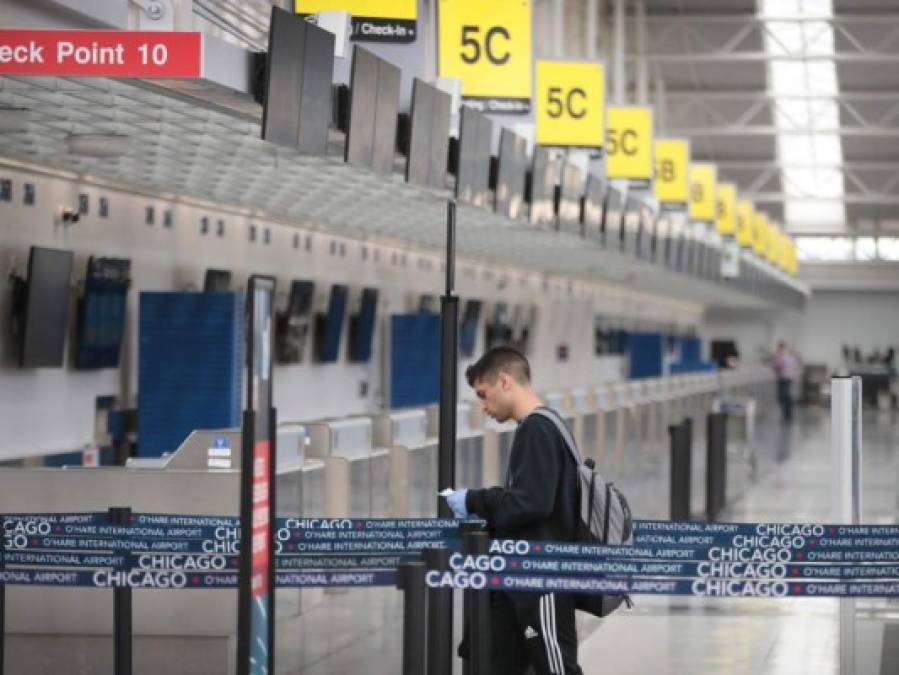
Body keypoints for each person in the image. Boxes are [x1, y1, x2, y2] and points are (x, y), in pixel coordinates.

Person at [443, 346, 583, 675]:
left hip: (541, 579)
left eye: (483, 394)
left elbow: (531, 502)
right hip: (525, 577)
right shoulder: (545, 425)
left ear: (505, 381)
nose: (482, 406)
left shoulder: (537, 429)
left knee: (556, 666)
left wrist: (475, 500)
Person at [770, 341, 800, 423]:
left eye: (778, 347)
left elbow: (775, 365)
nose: (777, 349)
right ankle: (788, 416)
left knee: (783, 397)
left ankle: (786, 416)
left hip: (783, 379)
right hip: (788, 378)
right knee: (787, 397)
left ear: (781, 347)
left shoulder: (782, 356)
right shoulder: (790, 355)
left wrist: (773, 359)